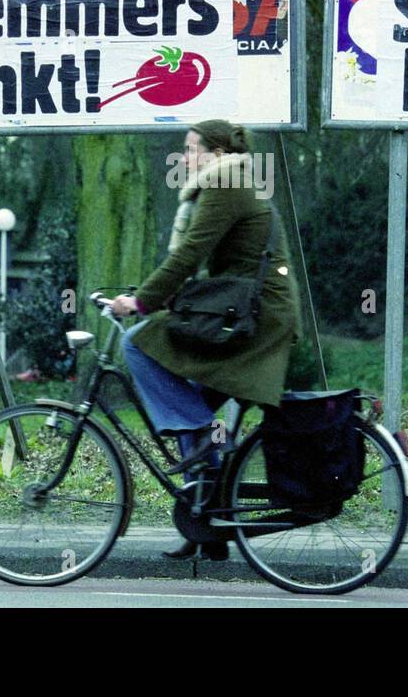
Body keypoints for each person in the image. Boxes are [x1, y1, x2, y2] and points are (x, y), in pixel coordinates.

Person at [109, 120, 303, 560]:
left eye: (192, 148)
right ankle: (207, 526)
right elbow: (196, 266)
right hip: (244, 312)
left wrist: (140, 304)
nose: (185, 157)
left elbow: (189, 255)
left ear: (216, 152)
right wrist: (157, 301)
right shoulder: (227, 182)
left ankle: (202, 443)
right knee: (188, 397)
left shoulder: (227, 182)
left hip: (255, 320)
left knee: (137, 345)